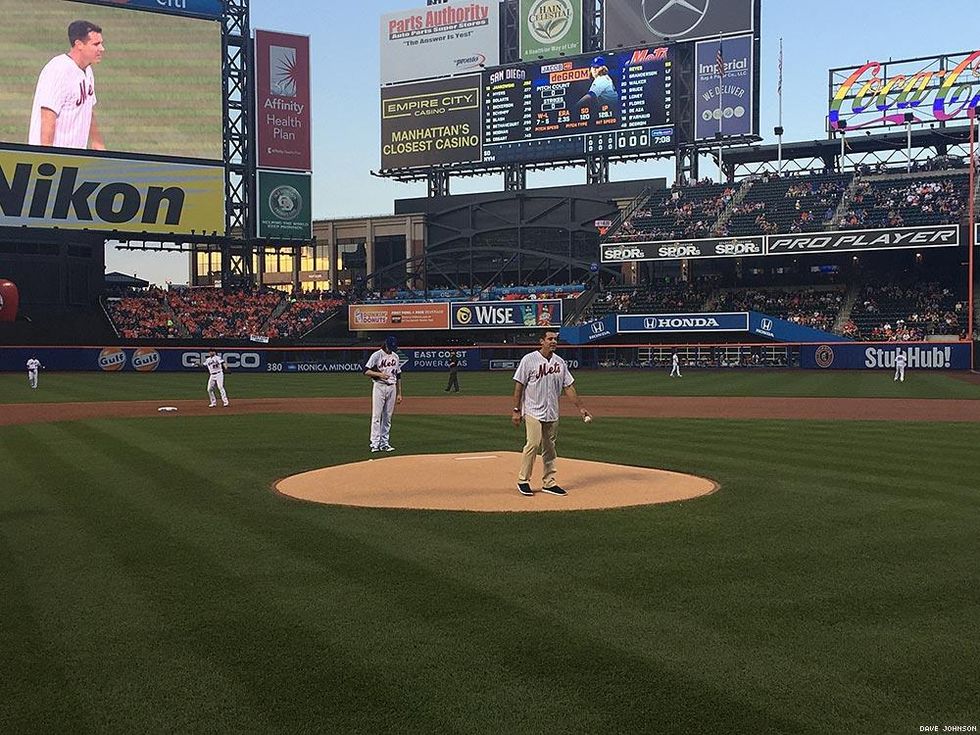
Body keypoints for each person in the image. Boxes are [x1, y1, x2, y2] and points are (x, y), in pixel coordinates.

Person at [511, 331, 591, 497]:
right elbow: (519, 386)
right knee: (533, 443)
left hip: (552, 411)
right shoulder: (529, 359)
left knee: (550, 448)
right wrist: (516, 410)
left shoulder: (559, 362)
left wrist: (580, 408)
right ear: (542, 341)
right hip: (532, 410)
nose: (554, 341)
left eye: (555, 339)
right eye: (550, 339)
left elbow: (568, 386)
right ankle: (523, 480)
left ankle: (549, 482)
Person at [29, 20, 106, 150]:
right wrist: (46, 156)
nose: (102, 49)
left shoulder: (87, 70)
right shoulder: (58, 70)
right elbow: (48, 116)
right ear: (79, 44)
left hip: (74, 156)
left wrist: (97, 142)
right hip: (55, 157)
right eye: (96, 44)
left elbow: (88, 107)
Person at [364, 335, 402, 452]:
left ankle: (384, 443)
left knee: (388, 417)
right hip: (379, 386)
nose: (392, 349)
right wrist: (380, 375)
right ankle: (374, 444)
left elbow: (399, 375)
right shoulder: (377, 355)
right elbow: (365, 371)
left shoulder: (395, 356)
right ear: (386, 344)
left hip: (392, 388)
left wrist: (400, 393)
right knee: (376, 416)